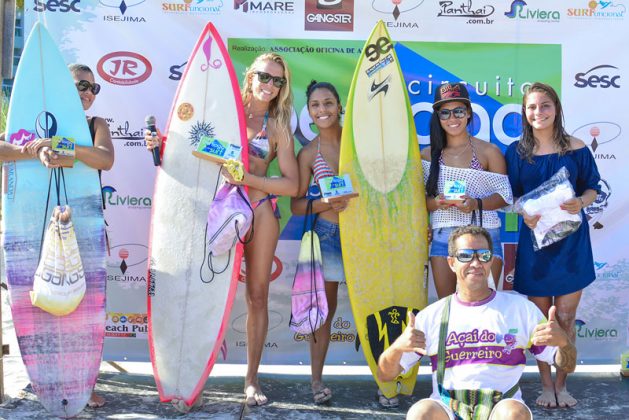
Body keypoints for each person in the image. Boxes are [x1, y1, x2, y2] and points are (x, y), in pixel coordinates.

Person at [146, 53, 298, 407]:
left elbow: (292, 186)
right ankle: (191, 374)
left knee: (257, 297)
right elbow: (189, 149)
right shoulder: (219, 111)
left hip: (260, 211)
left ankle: (251, 379)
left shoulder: (277, 126)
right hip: (216, 211)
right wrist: (161, 144)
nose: (270, 86)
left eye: (278, 81)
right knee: (201, 288)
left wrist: (252, 178)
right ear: (249, 76)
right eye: (264, 76)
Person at [376, 225, 577, 420]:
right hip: (447, 407)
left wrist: (564, 344)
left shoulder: (521, 309)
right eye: (465, 255)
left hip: (501, 406)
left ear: (491, 261)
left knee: (514, 413)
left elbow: (568, 365)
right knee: (420, 412)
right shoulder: (431, 316)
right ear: (451, 263)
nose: (475, 263)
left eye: (484, 255)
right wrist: (397, 348)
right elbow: (385, 375)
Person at [2, 64, 114, 408]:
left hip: (83, 225)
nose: (87, 92)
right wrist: (33, 150)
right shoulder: (32, 118)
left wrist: (63, 147)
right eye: (80, 84)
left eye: (93, 88)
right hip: (34, 224)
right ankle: (45, 381)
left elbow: (105, 159)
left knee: (85, 307)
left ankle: (83, 383)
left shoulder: (97, 125)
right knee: (40, 304)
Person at [505, 82, 600, 409]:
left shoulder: (576, 148)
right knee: (542, 321)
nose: (538, 112)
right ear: (525, 112)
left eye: (545, 106)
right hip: (537, 245)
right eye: (532, 107)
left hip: (572, 245)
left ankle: (562, 384)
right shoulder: (516, 152)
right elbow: (512, 197)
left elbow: (593, 188)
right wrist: (524, 213)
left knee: (567, 318)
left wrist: (580, 201)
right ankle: (545, 385)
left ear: (556, 109)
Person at [421, 82, 512, 298]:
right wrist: (437, 203)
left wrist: (475, 204)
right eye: (445, 113)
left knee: (485, 307)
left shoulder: (489, 151)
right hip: (444, 237)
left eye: (458, 111)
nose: (452, 118)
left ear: (469, 113)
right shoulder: (427, 155)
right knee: (449, 307)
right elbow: (420, 201)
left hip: (484, 234)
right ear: (438, 116)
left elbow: (505, 197)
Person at [290, 80, 349, 405]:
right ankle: (316, 380)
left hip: (366, 237)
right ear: (309, 112)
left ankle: (387, 381)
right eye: (315, 105)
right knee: (323, 313)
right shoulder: (309, 152)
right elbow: (297, 205)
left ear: (339, 106)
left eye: (328, 103)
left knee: (378, 306)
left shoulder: (361, 142)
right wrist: (329, 204)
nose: (323, 109)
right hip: (328, 236)